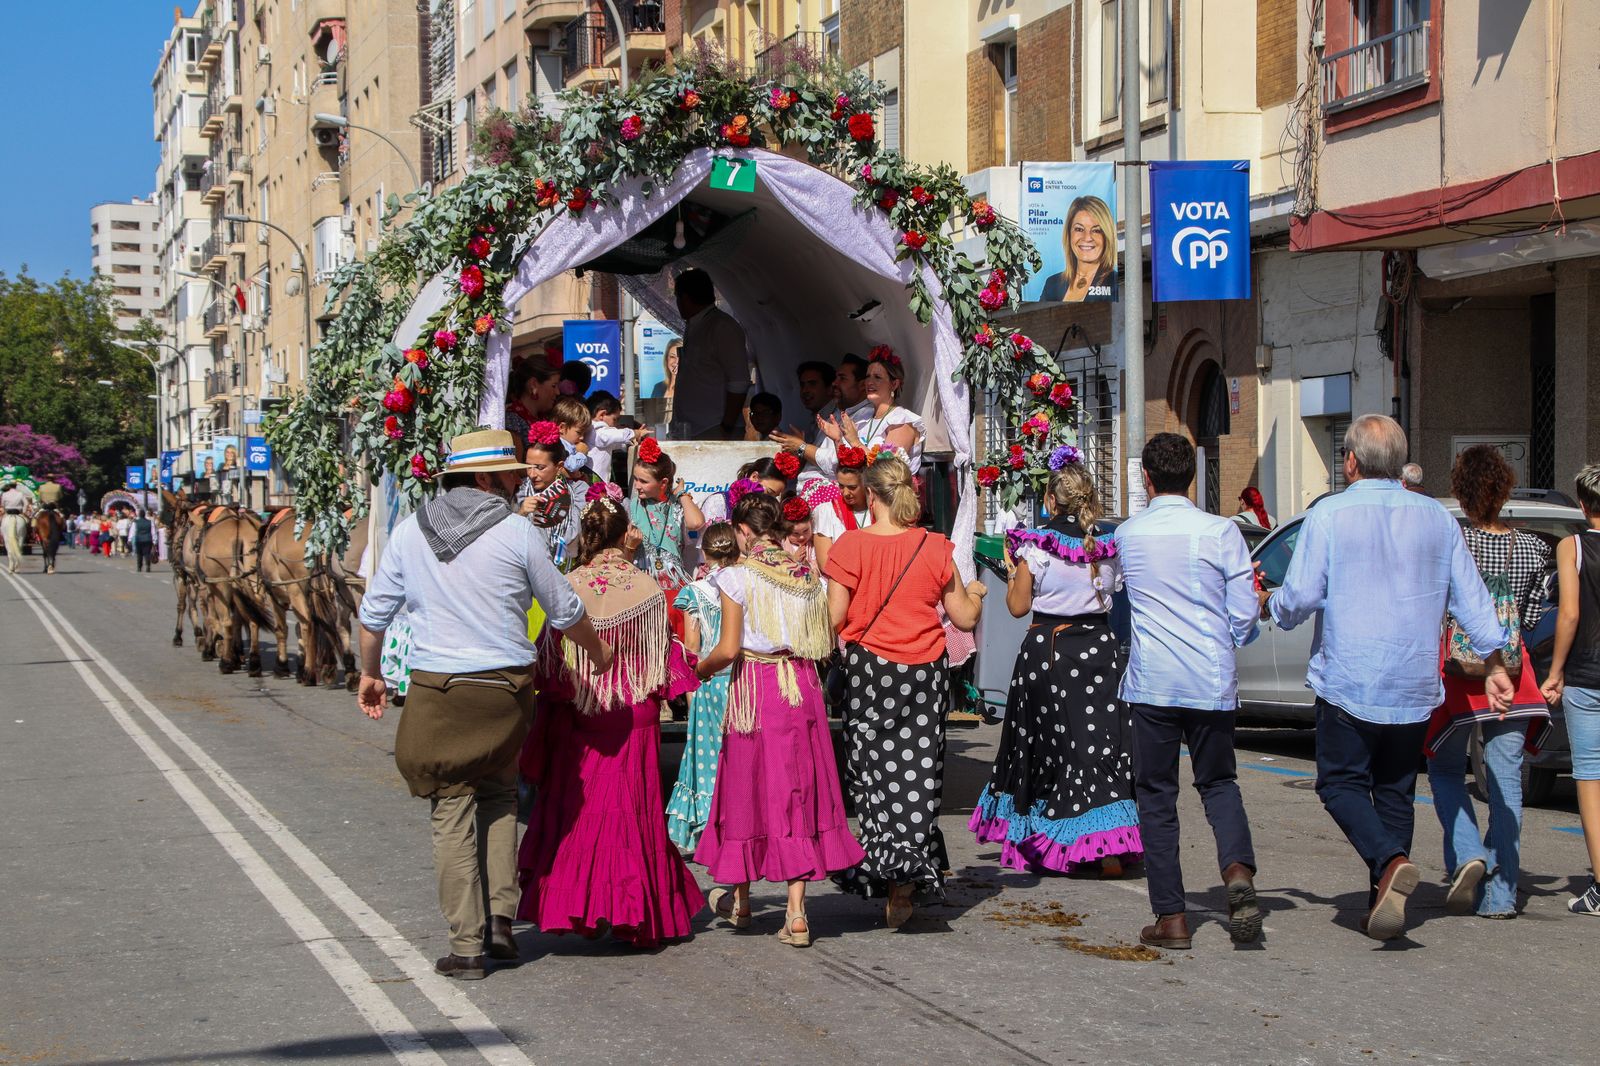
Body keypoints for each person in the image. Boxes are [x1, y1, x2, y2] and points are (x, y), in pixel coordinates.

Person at [355, 428, 611, 981]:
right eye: (510, 473)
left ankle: (466, 945)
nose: (518, 481)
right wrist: (602, 653)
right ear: (487, 479)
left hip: (440, 692)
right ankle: (500, 921)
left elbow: (373, 617)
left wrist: (370, 673)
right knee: (499, 796)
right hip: (507, 691)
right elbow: (565, 610)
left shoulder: (409, 533)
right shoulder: (518, 533)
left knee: (451, 811)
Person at [1265, 414, 1514, 941]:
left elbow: (1302, 596)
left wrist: (1274, 606)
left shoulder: (1330, 514)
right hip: (1413, 680)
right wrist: (1495, 662)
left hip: (1349, 676)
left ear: (1350, 461)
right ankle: (1387, 897)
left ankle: (1389, 860)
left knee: (1338, 783)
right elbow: (1472, 600)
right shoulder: (1437, 519)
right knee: (1396, 791)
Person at [516, 492, 705, 946]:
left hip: (582, 712)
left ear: (587, 537)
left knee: (579, 815)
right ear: (626, 537)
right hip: (633, 713)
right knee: (633, 814)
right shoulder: (647, 589)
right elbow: (661, 668)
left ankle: (586, 907)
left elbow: (549, 666)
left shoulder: (569, 585)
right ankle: (632, 911)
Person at [693, 492, 864, 946]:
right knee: (796, 790)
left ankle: (742, 899)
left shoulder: (736, 576)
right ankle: (795, 912)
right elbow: (823, 638)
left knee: (745, 786)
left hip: (756, 686)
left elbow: (728, 650)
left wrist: (698, 669)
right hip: (801, 686)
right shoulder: (805, 575)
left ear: (744, 531)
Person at [1114, 433, 1263, 950]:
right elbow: (1244, 616)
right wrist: (1231, 635)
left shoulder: (1129, 535)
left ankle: (1172, 917)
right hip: (1209, 678)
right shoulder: (1222, 531)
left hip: (1153, 682)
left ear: (1147, 480)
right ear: (1192, 477)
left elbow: (1117, 596)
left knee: (1156, 796)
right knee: (1219, 782)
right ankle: (1238, 871)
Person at [824, 455, 985, 926]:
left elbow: (833, 619)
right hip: (923, 675)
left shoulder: (849, 546)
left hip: (869, 671)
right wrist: (975, 592)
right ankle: (905, 878)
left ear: (871, 496)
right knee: (917, 774)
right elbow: (965, 618)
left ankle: (887, 866)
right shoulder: (935, 548)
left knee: (872, 774)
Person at [971, 462, 1141, 878]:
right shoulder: (1105, 545)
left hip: (1051, 652)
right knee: (1099, 744)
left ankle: (1054, 838)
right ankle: (1110, 846)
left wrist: (1012, 571)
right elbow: (1113, 595)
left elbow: (1017, 606)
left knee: (1046, 748)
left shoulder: (1038, 545)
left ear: (1050, 500)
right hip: (1099, 652)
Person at [1425, 445, 1553, 920]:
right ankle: (1501, 895)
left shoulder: (1454, 542)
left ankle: (1467, 854)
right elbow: (1536, 618)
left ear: (1460, 491)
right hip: (1514, 675)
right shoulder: (1535, 549)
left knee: (1443, 770)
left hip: (1459, 675)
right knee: (1506, 786)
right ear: (1505, 489)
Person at [1540, 463, 1600, 915]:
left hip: (1586, 675)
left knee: (1590, 778)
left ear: (1582, 505)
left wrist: (1555, 671)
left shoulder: (1572, 546)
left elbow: (1569, 615)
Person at [667, 522, 741, 851]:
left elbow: (693, 643)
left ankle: (711, 828)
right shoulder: (746, 584)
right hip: (744, 681)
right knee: (740, 756)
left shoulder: (696, 591)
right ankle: (740, 819)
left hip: (711, 681)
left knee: (710, 756)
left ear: (705, 554)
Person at [819, 347, 925, 474]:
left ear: (894, 384)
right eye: (868, 376)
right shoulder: (863, 417)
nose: (869, 382)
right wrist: (838, 441)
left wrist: (855, 442)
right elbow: (849, 468)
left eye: (877, 377)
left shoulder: (901, 421)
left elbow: (888, 472)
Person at [673, 269, 751, 439]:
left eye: (677, 298)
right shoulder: (694, 324)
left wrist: (726, 425)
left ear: (685, 298)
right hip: (690, 427)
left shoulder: (722, 327)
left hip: (714, 427)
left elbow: (739, 382)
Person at [628, 439, 705, 595]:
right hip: (642, 582)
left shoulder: (678, 505)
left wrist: (681, 494)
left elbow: (696, 523)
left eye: (643, 481)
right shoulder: (632, 506)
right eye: (635, 479)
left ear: (663, 483)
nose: (636, 485)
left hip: (672, 582)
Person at [516, 424, 583, 570]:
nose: (532, 474)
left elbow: (574, 534)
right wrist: (521, 514)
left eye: (540, 468)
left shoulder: (578, 493)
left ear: (559, 466)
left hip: (567, 574)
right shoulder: (518, 491)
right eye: (528, 466)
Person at [1038, 196, 1117, 302]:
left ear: (1107, 237)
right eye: (1079, 229)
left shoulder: (1114, 283)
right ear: (1069, 234)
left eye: (1096, 230)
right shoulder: (1052, 284)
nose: (1087, 238)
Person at [807, 448, 870, 575]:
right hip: (841, 582)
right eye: (841, 486)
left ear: (866, 484)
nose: (846, 493)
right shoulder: (826, 511)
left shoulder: (878, 510)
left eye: (852, 487)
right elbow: (825, 564)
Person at [506, 357, 562, 459]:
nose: (558, 392)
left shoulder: (546, 417)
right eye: (554, 386)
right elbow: (516, 469)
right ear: (534, 385)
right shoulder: (512, 421)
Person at [585, 391, 646, 483]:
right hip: (594, 480)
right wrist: (636, 433)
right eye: (615, 419)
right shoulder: (596, 430)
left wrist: (632, 440)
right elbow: (618, 435)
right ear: (602, 415)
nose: (616, 424)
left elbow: (616, 443)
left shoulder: (600, 433)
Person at [795, 361, 838, 442]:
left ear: (830, 388)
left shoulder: (838, 419)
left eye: (812, 384)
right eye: (802, 385)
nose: (805, 390)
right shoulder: (816, 419)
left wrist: (801, 447)